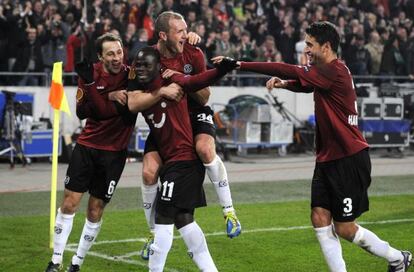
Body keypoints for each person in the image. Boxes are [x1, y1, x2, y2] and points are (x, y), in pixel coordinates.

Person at [213, 21, 412, 272]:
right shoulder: (327, 71)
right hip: (327, 158)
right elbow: (304, 83)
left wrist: (239, 64)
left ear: (326, 46)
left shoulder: (334, 70)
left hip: (348, 158)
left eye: (310, 44)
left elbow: (287, 69)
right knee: (319, 218)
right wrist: (285, 84)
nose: (306, 49)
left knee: (345, 228)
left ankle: (397, 258)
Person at [138, 11, 241, 261]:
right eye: (180, 31)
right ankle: (153, 233)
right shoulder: (149, 58)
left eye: (186, 29)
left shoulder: (193, 53)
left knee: (205, 149)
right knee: (148, 172)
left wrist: (183, 81)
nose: (186, 34)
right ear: (163, 35)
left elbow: (205, 97)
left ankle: (229, 212)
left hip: (195, 113)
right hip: (168, 118)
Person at [44, 32, 136, 272]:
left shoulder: (132, 75)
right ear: (100, 56)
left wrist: (100, 94)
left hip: (115, 153)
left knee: (95, 209)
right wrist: (106, 93)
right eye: (110, 54)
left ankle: (77, 263)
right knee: (69, 203)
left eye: (119, 52)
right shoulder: (90, 72)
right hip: (87, 147)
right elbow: (84, 112)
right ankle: (55, 261)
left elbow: (122, 113)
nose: (117, 58)